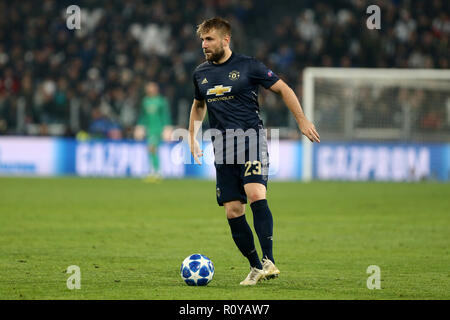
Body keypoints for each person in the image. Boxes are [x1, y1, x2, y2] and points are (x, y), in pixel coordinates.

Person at [188, 17, 320, 286]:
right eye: (202, 39)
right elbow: (198, 104)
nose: (204, 44)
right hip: (222, 148)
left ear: (226, 39)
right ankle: (255, 266)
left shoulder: (249, 66)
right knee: (233, 211)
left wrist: (302, 120)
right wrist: (192, 136)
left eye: (210, 39)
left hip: (251, 140)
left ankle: (269, 259)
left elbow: (283, 88)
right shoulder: (200, 73)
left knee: (255, 192)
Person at [135, 82, 172, 180]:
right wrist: (140, 127)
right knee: (152, 149)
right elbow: (142, 116)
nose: (149, 89)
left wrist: (167, 128)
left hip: (158, 129)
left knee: (152, 148)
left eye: (151, 88)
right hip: (149, 129)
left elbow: (165, 115)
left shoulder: (161, 101)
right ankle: (155, 170)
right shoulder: (145, 101)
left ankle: (156, 171)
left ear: (156, 89)